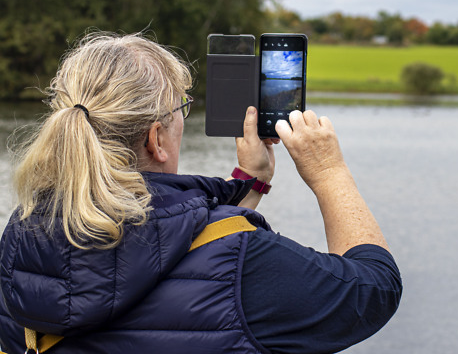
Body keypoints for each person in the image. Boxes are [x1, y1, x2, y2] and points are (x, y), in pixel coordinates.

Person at [0, 32, 401, 354]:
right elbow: (374, 289)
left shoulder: (23, 241)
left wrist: (251, 180)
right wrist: (329, 171)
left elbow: (160, 244)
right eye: (181, 110)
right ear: (156, 138)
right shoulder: (244, 262)